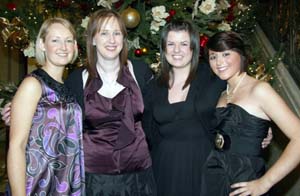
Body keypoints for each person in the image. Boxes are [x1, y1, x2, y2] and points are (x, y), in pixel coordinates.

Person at [64, 9, 156, 195]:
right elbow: (58, 118)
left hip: (138, 178)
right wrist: (19, 112)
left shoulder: (140, 71)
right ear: (93, 39)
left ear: (124, 38)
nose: (112, 40)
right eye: (104, 33)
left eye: (117, 33)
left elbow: (161, 110)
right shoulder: (76, 80)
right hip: (95, 181)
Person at [200, 31, 300, 196]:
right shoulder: (222, 93)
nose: (219, 62)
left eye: (226, 54)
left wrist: (264, 183)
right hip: (216, 176)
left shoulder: (260, 90)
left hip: (246, 180)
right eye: (213, 57)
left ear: (241, 55)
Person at [142, 20, 225, 196]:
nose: (177, 50)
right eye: (171, 44)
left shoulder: (213, 77)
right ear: (164, 49)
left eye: (184, 44)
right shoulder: (153, 87)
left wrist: (261, 130)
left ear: (193, 47)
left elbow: (240, 100)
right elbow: (148, 129)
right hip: (164, 167)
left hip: (204, 165)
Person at [6, 18, 85, 196]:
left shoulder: (68, 87)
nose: (63, 47)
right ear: (42, 45)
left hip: (64, 183)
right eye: (55, 40)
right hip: (36, 185)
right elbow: (16, 146)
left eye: (69, 41)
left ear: (75, 47)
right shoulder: (33, 84)